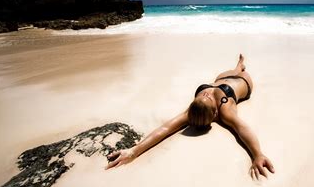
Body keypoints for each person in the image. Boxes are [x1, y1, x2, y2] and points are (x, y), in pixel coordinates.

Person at [105, 54, 275, 180]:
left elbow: (165, 128)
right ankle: (241, 70)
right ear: (214, 113)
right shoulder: (225, 111)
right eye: (205, 98)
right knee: (240, 73)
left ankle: (239, 65)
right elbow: (242, 129)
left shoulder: (195, 109)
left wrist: (134, 150)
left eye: (202, 96)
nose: (205, 94)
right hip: (244, 82)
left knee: (230, 72)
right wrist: (258, 154)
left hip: (221, 79)